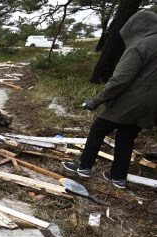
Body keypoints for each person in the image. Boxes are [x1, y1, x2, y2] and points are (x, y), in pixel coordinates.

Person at [62, 10, 157, 189]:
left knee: (98, 130)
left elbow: (121, 79)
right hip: (151, 105)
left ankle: (84, 167)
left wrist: (96, 100)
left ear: (136, 27)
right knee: (126, 138)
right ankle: (118, 177)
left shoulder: (140, 45)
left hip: (129, 101)